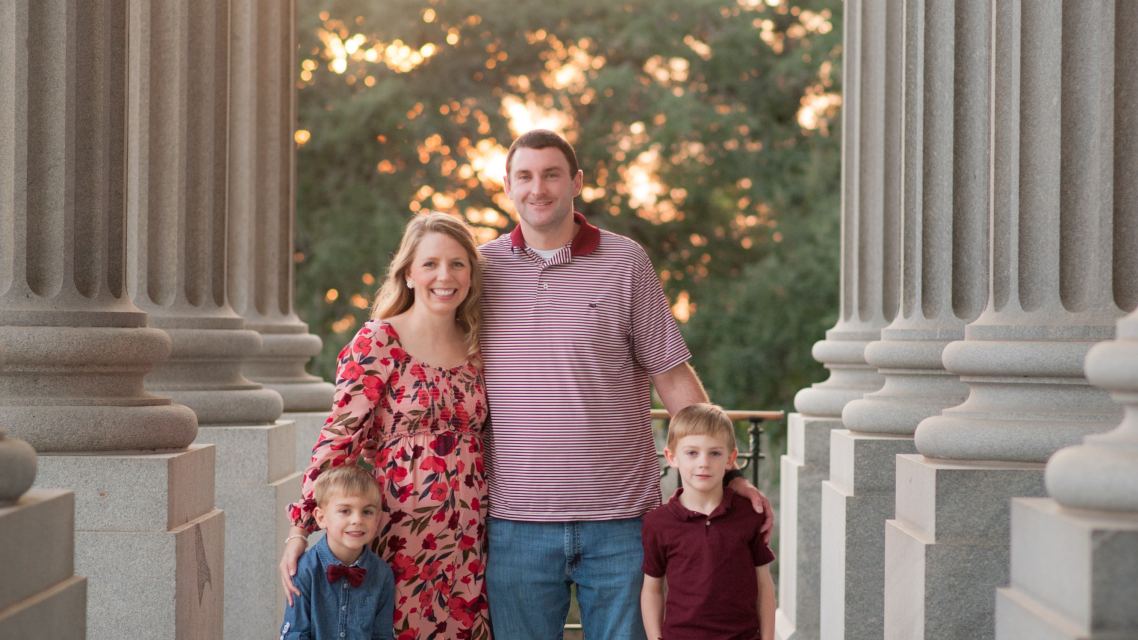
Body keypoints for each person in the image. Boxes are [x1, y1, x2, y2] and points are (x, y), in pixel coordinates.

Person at [479, 129, 772, 639]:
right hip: (515, 524)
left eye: (551, 175)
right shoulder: (482, 269)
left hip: (620, 523)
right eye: (524, 176)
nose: (538, 188)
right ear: (507, 186)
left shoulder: (625, 261)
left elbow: (671, 374)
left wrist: (727, 476)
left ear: (576, 182)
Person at [280, 213, 492, 639]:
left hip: (470, 539)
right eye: (430, 263)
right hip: (400, 536)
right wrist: (300, 529)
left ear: (470, 274)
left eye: (457, 263)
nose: (444, 276)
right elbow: (338, 437)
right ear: (408, 274)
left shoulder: (478, 346)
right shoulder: (379, 341)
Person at [640, 404, 776, 640]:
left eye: (715, 453)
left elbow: (764, 585)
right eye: (692, 453)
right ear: (672, 457)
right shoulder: (657, 523)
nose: (704, 462)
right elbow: (652, 589)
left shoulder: (749, 515)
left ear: (730, 459)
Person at [280, 465, 396, 640]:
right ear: (321, 518)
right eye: (345, 511)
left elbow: (382, 635)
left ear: (378, 518)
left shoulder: (383, 574)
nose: (357, 520)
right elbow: (295, 633)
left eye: (367, 512)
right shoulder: (304, 570)